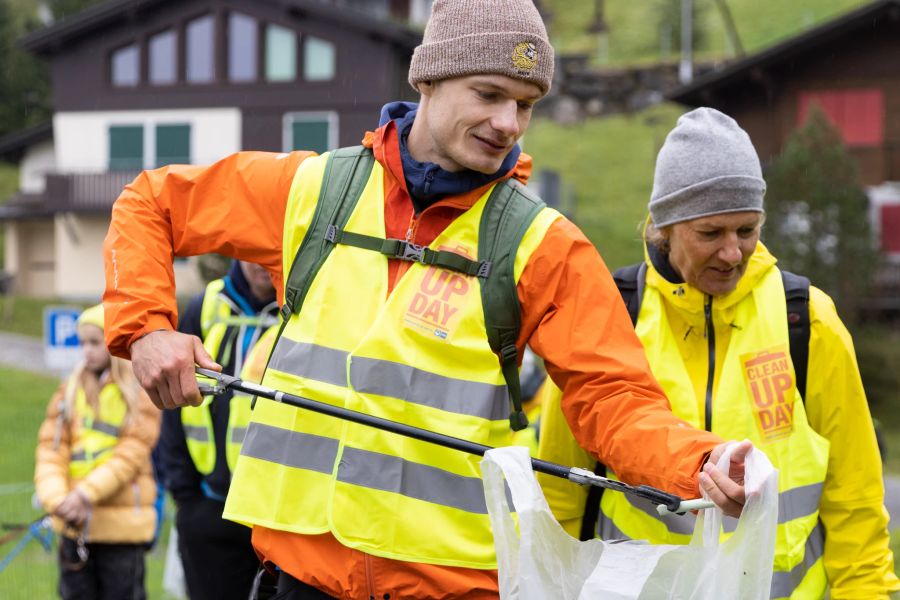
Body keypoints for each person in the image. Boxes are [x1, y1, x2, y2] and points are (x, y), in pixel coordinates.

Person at [102, 2, 753, 598]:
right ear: (428, 81)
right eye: (490, 94)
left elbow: (615, 401)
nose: (508, 124)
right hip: (297, 580)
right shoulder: (310, 191)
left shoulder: (545, 246)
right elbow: (151, 202)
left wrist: (697, 463)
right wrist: (146, 329)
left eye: (526, 104)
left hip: (452, 588)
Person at [537, 107, 900, 599]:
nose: (733, 252)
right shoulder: (612, 317)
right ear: (664, 227)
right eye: (711, 233)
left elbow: (855, 504)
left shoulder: (808, 322)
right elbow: (561, 492)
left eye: (747, 230)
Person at [157, 260, 278, 600]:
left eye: (266, 252)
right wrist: (187, 499)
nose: (259, 264)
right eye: (250, 252)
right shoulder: (205, 306)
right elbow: (173, 404)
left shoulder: (303, 307)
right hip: (209, 506)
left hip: (274, 519)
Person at [34, 304, 160, 600]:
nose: (87, 351)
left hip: (121, 530)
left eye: (95, 342)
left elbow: (131, 455)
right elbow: (50, 451)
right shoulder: (68, 391)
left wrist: (84, 495)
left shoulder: (140, 392)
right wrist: (57, 499)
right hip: (75, 526)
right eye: (82, 343)